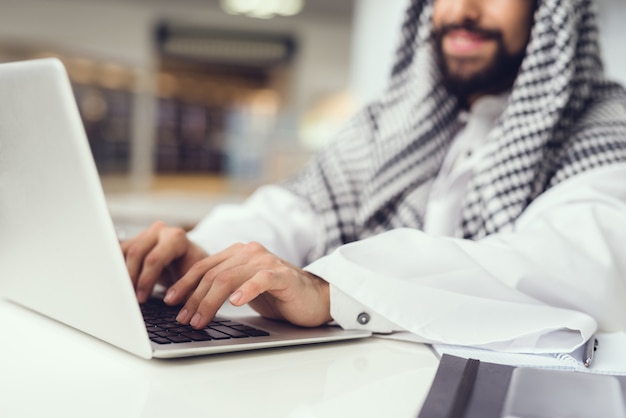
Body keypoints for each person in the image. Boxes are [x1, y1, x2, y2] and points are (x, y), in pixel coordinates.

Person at [122, 0, 626, 352]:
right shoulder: (390, 124)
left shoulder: (606, 124)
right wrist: (206, 257)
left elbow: (576, 266)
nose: (464, 9)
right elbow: (297, 208)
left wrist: (331, 290)